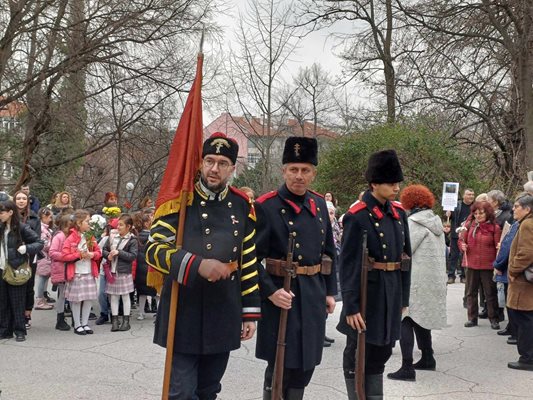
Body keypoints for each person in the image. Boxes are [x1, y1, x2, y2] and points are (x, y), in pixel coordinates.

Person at [146, 132, 261, 400]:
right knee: (182, 392)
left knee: (209, 391)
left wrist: (249, 312)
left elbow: (249, 262)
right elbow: (153, 251)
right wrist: (196, 264)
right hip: (184, 307)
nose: (214, 168)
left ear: (232, 168)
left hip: (223, 309)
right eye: (209, 160)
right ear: (200, 162)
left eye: (222, 163)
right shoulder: (180, 201)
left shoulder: (242, 205)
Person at [254, 136, 337, 400]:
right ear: (283, 170)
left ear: (313, 173)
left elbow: (329, 252)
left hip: (312, 293)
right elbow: (250, 259)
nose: (298, 176)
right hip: (281, 295)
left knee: (306, 364)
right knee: (280, 365)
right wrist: (269, 292)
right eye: (293, 169)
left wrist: (330, 291)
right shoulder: (266, 206)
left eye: (305, 170)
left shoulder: (320, 205)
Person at [337, 149, 411, 400]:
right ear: (374, 184)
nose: (396, 188)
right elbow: (347, 265)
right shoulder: (357, 216)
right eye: (391, 183)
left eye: (397, 183)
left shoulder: (398, 213)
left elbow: (405, 259)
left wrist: (404, 299)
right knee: (359, 352)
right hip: (368, 293)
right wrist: (351, 307)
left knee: (384, 349)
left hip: (391, 290)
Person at [387, 185, 446, 382]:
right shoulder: (435, 222)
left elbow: (404, 249)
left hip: (416, 280)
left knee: (406, 318)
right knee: (420, 319)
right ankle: (428, 357)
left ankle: (406, 366)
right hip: (433, 280)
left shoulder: (414, 223)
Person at [0, 200, 44, 342]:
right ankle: (5, 330)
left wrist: (26, 249)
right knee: (3, 301)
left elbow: (39, 243)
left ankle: (20, 330)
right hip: (1, 269)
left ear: (10, 212)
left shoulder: (22, 228)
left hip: (16, 268)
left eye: (1, 212)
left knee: (17, 301)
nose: (0, 215)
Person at [459, 201, 501, 329]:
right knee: (471, 293)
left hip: (488, 265)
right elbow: (461, 241)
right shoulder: (469, 225)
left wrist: (499, 248)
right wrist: (462, 246)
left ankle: (494, 319)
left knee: (490, 293)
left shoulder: (495, 228)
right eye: (476, 213)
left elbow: (498, 247)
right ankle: (472, 318)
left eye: (481, 213)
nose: (478, 215)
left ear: (487, 213)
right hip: (471, 264)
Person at [62, 210, 102, 335]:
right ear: (79, 223)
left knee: (88, 299)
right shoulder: (71, 238)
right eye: (87, 221)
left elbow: (98, 253)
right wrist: (79, 255)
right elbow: (64, 255)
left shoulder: (90, 236)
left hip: (89, 272)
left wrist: (92, 254)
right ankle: (77, 324)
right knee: (77, 300)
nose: (89, 223)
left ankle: (85, 323)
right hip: (77, 273)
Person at [506, 194, 533, 371]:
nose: (514, 209)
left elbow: (526, 252)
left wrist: (513, 270)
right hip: (524, 282)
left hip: (524, 282)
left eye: (517, 206)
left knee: (525, 320)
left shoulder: (527, 225)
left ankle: (527, 358)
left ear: (527, 209)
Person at [103, 213, 138, 332]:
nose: (118, 227)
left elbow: (133, 256)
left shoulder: (132, 240)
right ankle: (115, 321)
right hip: (112, 271)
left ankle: (126, 321)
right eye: (118, 225)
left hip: (124, 272)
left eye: (121, 225)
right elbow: (104, 250)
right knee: (113, 296)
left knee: (125, 296)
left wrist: (119, 252)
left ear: (128, 227)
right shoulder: (112, 237)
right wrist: (108, 255)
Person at [14, 189, 42, 329]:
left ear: (28, 201)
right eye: (18, 198)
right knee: (13, 284)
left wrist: (26, 247)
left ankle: (26, 314)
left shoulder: (34, 218)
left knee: (28, 286)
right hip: (12, 256)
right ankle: (14, 315)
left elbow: (37, 239)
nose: (21, 201)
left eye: (23, 198)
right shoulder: (9, 215)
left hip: (29, 256)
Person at [49, 213, 73, 331]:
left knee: (70, 294)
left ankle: (74, 316)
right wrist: (66, 256)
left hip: (69, 268)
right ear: (63, 226)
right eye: (69, 226)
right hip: (61, 269)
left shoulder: (71, 236)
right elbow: (52, 252)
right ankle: (60, 318)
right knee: (62, 295)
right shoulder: (59, 236)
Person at [447, 188, 475, 284]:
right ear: (463, 196)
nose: (471, 196)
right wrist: (448, 214)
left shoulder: (475, 207)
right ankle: (451, 276)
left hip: (468, 234)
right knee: (453, 255)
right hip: (455, 234)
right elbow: (448, 218)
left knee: (465, 255)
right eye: (469, 194)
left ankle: (464, 276)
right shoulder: (456, 205)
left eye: (472, 194)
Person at [133, 212, 157, 320]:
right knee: (157, 292)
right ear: (147, 224)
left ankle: (141, 313)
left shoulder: (136, 236)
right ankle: (159, 313)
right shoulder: (153, 236)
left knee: (141, 292)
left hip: (139, 268)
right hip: (151, 267)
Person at [34, 207, 55, 310]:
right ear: (44, 216)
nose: (51, 219)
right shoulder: (42, 229)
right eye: (49, 217)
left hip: (45, 257)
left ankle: (41, 299)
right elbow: (44, 244)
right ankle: (39, 300)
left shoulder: (45, 228)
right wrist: (53, 245)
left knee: (45, 278)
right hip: (43, 256)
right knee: (42, 278)